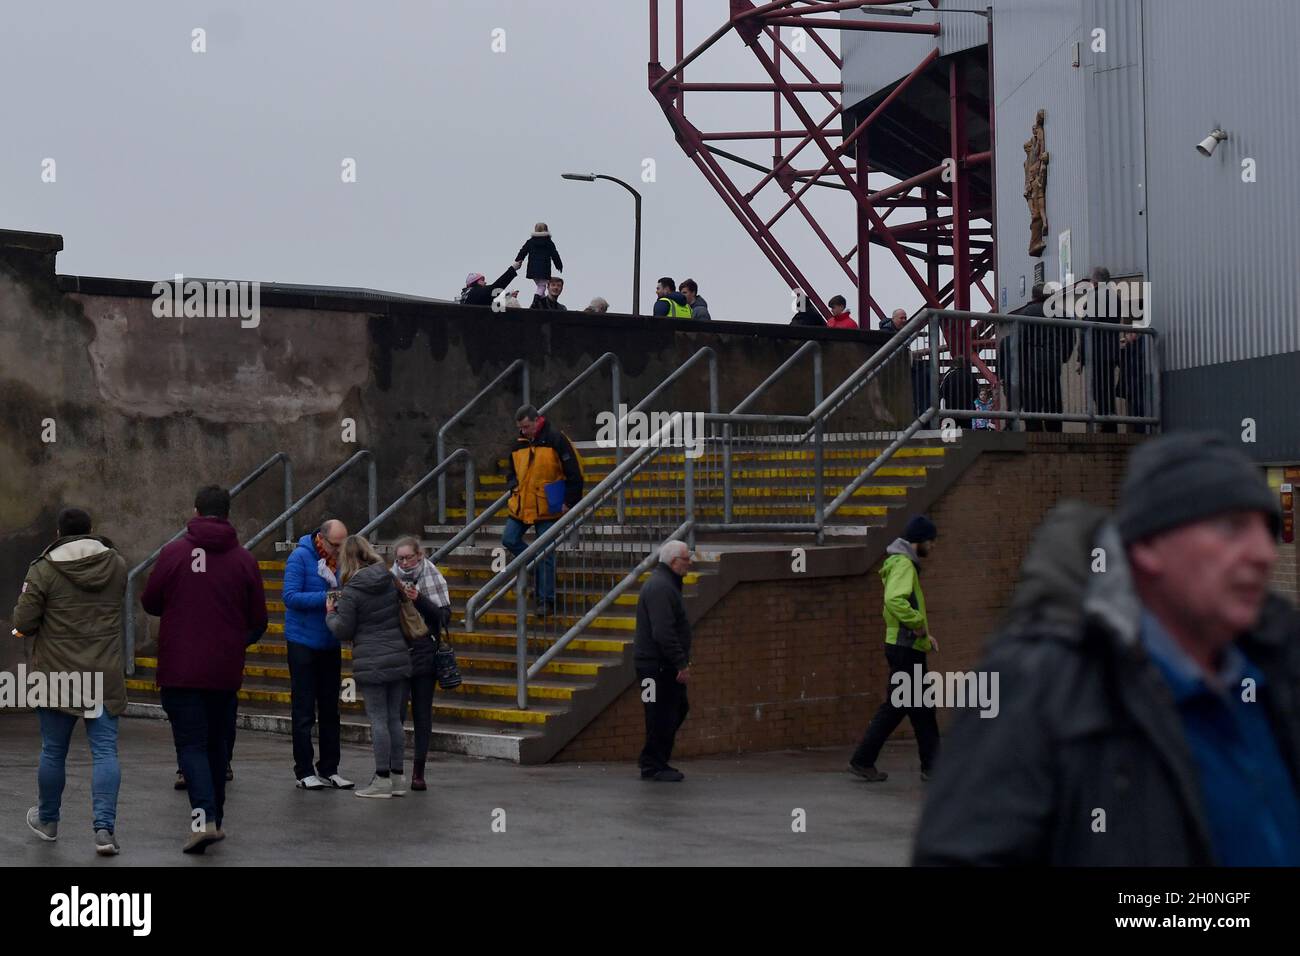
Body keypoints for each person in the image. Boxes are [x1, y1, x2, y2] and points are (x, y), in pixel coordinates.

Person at [914, 433, 1300, 865]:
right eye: (1231, 528)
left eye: (1267, 531)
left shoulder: (1277, 667)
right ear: (1149, 545)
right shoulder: (1035, 690)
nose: (1264, 553)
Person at [140, 486, 267, 854]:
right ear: (227, 514)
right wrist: (232, 644)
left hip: (180, 669)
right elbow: (259, 619)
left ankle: (204, 820)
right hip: (224, 671)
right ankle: (215, 820)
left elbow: (150, 601)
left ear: (195, 511)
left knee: (191, 745)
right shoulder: (244, 559)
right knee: (216, 746)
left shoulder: (174, 552)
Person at [14, 507, 127, 856]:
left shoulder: (44, 569)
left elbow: (25, 620)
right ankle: (104, 830)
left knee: (53, 750)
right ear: (92, 530)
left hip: (57, 675)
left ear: (58, 534)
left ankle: (48, 821)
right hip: (104, 672)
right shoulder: (116, 565)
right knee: (105, 751)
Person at [848, 515, 940, 783]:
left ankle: (931, 767)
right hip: (905, 648)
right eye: (930, 541)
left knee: (919, 709)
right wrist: (917, 624)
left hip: (906, 645)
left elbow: (904, 603)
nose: (932, 547)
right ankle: (863, 759)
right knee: (900, 707)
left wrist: (925, 636)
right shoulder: (904, 564)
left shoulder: (902, 562)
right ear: (919, 541)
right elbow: (894, 600)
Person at [326, 536, 413, 799]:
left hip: (372, 659)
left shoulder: (352, 590)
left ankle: (382, 780)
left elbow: (344, 629)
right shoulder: (388, 578)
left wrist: (330, 613)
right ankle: (398, 778)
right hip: (397, 655)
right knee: (394, 720)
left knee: (378, 720)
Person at [282, 519, 353, 791]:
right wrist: (328, 597)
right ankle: (303, 770)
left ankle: (330, 768)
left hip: (329, 641)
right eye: (336, 544)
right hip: (302, 641)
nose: (339, 549)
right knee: (303, 709)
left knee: (330, 709)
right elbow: (289, 597)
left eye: (343, 544)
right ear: (321, 539)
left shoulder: (341, 559)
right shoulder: (300, 557)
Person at [502, 405, 584, 616]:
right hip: (522, 503)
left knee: (546, 551)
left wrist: (569, 501)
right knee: (509, 539)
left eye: (527, 426)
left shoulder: (556, 439)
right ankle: (536, 568)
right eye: (521, 427)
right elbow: (510, 471)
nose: (524, 431)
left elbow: (574, 472)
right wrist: (512, 485)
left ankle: (545, 601)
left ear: (537, 421)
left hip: (550, 504)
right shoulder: (517, 444)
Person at [391, 536, 451, 791]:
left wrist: (419, 599)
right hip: (399, 651)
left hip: (425, 650)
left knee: (422, 713)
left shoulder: (432, 575)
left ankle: (419, 772)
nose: (404, 563)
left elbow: (443, 617)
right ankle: (395, 769)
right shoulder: (390, 577)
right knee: (397, 714)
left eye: (408, 557)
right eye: (400, 558)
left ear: (419, 555)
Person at [634, 540, 694, 782]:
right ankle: (653, 764)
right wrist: (680, 663)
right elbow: (663, 632)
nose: (689, 564)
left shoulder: (666, 584)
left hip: (656, 665)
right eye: (685, 559)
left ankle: (654, 760)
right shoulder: (661, 587)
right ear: (673, 561)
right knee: (661, 712)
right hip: (656, 667)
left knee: (673, 709)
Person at [1014, 282, 1070, 431]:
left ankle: (1034, 434)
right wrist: (1063, 356)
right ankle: (1055, 433)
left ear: (1034, 296)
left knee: (1033, 402)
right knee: (1053, 400)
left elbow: (1019, 342)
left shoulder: (1027, 313)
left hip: (1032, 364)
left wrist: (1020, 363)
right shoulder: (1061, 313)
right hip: (1053, 363)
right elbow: (1070, 338)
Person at [1077, 266, 1122, 433]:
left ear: (1094, 281)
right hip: (1110, 350)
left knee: (1098, 390)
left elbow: (1087, 327)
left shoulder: (1095, 297)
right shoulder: (1115, 297)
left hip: (1096, 351)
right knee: (1107, 389)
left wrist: (1081, 354)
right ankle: (1110, 425)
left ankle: (1106, 425)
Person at [515, 222, 563, 300]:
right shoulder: (549, 242)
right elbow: (555, 255)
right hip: (544, 269)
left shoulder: (530, 241)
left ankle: (542, 303)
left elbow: (523, 251)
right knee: (542, 286)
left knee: (540, 286)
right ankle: (536, 299)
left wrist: (518, 260)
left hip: (532, 269)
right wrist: (559, 265)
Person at [1117, 326, 1149, 434]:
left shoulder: (1140, 345)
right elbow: (1123, 364)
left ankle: (1140, 431)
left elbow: (1135, 364)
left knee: (1139, 409)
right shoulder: (1133, 346)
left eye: (1130, 334)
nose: (1127, 336)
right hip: (1134, 383)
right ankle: (1138, 430)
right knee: (1135, 409)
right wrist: (1123, 349)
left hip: (1138, 383)